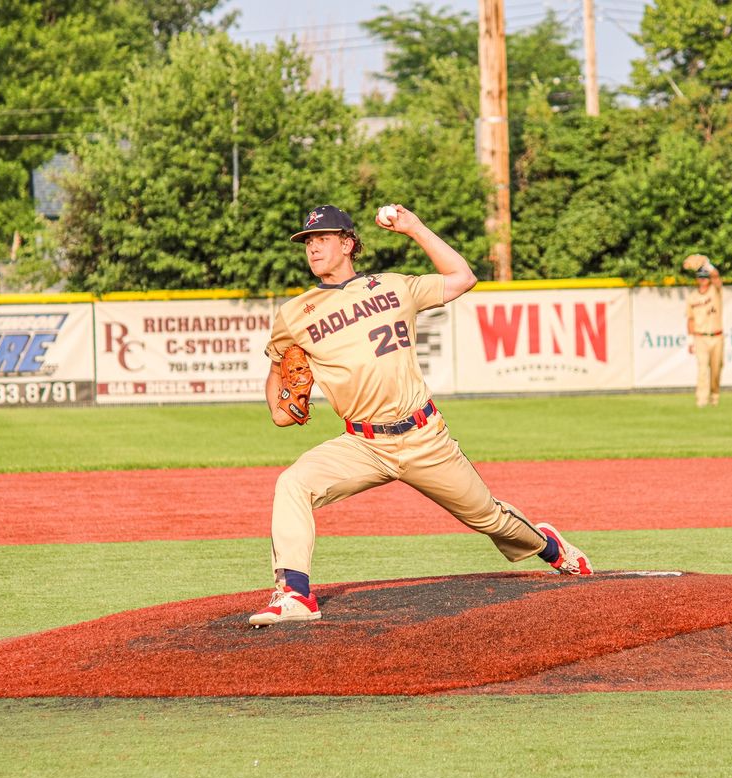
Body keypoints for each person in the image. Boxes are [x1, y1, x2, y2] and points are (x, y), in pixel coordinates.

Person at [249, 204, 592, 627]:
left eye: (323, 239)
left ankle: (550, 548)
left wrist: (414, 228)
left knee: (487, 516)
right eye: (308, 242)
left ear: (348, 243)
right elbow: (278, 368)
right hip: (361, 443)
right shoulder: (295, 313)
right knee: (293, 484)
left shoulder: (394, 286)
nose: (313, 248)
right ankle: (295, 594)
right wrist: (278, 401)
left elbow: (462, 278)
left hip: (423, 436)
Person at [683, 253, 724, 408]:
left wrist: (707, 264)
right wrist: (690, 340)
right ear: (696, 279)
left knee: (716, 369)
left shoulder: (715, 291)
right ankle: (701, 400)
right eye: (700, 277)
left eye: (705, 277)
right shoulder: (692, 297)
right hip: (700, 337)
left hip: (717, 335)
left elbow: (716, 277)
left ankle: (715, 396)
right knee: (702, 369)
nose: (703, 279)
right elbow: (690, 319)